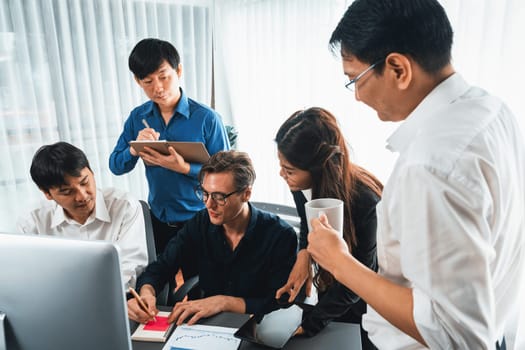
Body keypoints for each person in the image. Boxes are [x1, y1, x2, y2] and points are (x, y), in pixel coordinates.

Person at [307, 1, 525, 349]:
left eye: (355, 80)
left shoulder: (432, 165)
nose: (358, 97)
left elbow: (456, 333)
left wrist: (340, 262)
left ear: (398, 69)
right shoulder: (492, 110)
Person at [127, 150, 297, 325]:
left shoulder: (281, 236)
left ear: (246, 194)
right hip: (207, 325)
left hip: (257, 326)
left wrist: (224, 302)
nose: (209, 204)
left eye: (219, 196)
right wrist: (146, 292)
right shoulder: (200, 223)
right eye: (205, 193)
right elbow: (161, 267)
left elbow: (281, 305)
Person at [109, 38, 230, 256]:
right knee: (163, 283)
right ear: (137, 81)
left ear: (179, 70)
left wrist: (185, 168)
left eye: (164, 77)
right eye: (147, 81)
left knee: (204, 284)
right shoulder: (138, 118)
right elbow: (116, 166)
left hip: (202, 218)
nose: (158, 88)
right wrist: (134, 149)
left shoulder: (206, 118)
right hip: (159, 219)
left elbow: (229, 175)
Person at [274, 107, 382, 349]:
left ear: (318, 168)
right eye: (281, 165)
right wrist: (304, 254)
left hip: (371, 302)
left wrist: (310, 323)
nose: (281, 174)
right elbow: (306, 223)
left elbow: (359, 282)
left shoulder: (365, 201)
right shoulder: (302, 185)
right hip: (334, 289)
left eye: (289, 170)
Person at [17, 142, 148, 289]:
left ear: (92, 172)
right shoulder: (33, 222)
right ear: (47, 193)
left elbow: (131, 267)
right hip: (59, 301)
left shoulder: (124, 207)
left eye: (85, 182)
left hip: (115, 296)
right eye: (67, 192)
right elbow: (30, 275)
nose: (82, 196)